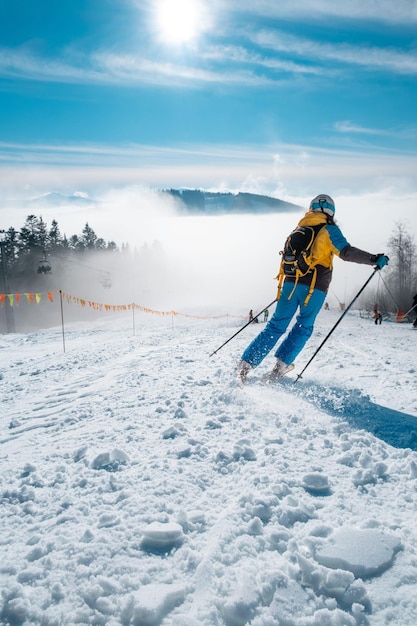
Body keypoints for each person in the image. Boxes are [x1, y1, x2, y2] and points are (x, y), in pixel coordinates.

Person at [237, 194, 389, 383]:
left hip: (289, 285)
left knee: (276, 325)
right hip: (314, 288)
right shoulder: (329, 230)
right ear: (331, 212)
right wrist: (373, 259)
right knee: (303, 326)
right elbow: (346, 252)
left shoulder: (299, 228)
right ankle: (279, 368)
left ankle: (245, 365)